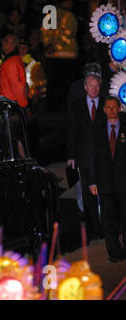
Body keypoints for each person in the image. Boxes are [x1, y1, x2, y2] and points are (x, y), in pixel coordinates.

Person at [67, 71, 106, 241]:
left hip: (103, 156)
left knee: (104, 192)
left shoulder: (106, 104)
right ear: (85, 87)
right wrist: (71, 155)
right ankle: (93, 230)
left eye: (97, 86)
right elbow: (72, 131)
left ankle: (107, 226)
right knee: (87, 194)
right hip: (84, 156)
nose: (94, 89)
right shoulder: (77, 105)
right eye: (91, 86)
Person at [88, 96, 126, 263]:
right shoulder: (97, 131)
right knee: (108, 220)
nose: (111, 110)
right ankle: (114, 253)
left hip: (123, 182)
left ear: (119, 108)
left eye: (114, 107)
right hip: (104, 183)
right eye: (108, 107)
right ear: (104, 110)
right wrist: (92, 181)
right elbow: (92, 157)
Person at [0, 33, 28, 109]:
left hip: (9, 104)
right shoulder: (14, 59)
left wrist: (23, 106)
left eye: (6, 41)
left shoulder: (11, 62)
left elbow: (17, 86)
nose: (3, 43)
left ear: (13, 45)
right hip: (9, 103)